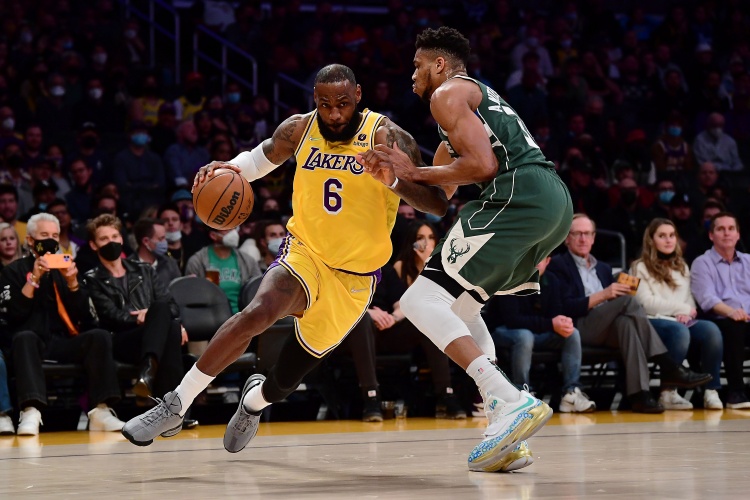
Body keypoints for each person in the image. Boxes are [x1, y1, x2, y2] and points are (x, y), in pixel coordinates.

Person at [121, 64, 451, 456]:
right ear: (315, 99)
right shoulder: (299, 128)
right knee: (258, 312)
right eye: (325, 104)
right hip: (305, 253)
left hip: (355, 277)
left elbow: (436, 205)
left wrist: (393, 180)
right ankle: (176, 403)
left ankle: (253, 402)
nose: (333, 113)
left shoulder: (387, 137)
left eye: (342, 103)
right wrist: (228, 168)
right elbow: (258, 160)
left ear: (358, 95)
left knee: (284, 381)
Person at [357, 27, 572, 472]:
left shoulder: (449, 93)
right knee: (461, 307)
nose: (412, 74)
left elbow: (483, 166)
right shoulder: (464, 113)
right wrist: (395, 179)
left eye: (418, 65)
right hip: (550, 201)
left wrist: (412, 169)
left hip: (518, 194)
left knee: (417, 301)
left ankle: (508, 399)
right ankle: (504, 428)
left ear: (439, 64)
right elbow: (439, 201)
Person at [548, 214, 712, 414]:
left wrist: (613, 294)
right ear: (567, 238)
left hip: (607, 326)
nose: (583, 239)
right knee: (628, 301)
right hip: (577, 327)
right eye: (577, 234)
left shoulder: (603, 268)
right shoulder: (558, 265)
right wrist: (604, 295)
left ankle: (639, 395)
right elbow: (563, 308)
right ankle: (668, 365)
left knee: (626, 324)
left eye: (588, 234)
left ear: (593, 238)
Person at [0, 213, 124, 435]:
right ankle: (31, 411)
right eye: (44, 235)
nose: (51, 240)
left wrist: (73, 283)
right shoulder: (13, 271)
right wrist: (34, 279)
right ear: (30, 240)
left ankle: (101, 410)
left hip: (63, 341)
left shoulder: (66, 269)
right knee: (24, 337)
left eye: (55, 235)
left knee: (99, 336)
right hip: (31, 342)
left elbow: (87, 317)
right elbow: (13, 315)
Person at [346, 220, 467, 419]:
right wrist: (367, 313)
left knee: (427, 319)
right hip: (351, 332)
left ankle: (446, 394)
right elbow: (336, 305)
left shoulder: (384, 270)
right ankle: (371, 397)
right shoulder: (341, 271)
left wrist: (393, 317)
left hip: (386, 330)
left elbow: (403, 303)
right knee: (362, 322)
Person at [82, 214, 186, 402]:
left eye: (114, 236)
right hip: (121, 339)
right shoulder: (92, 279)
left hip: (152, 336)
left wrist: (155, 317)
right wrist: (145, 318)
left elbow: (171, 306)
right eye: (104, 239)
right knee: (169, 328)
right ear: (93, 245)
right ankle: (173, 409)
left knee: (165, 317)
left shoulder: (144, 269)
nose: (111, 242)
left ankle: (148, 371)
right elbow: (110, 315)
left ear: (121, 239)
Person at [630, 219, 724, 410]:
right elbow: (645, 303)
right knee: (678, 331)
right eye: (662, 236)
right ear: (651, 240)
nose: (668, 240)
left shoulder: (682, 265)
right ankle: (668, 392)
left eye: (672, 235)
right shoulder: (638, 267)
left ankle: (711, 390)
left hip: (680, 320)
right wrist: (681, 310)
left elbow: (689, 299)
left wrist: (687, 314)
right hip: (651, 321)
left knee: (711, 330)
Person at [486, 256, 596, 413]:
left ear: (548, 261)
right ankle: (523, 393)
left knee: (572, 333)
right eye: (534, 255)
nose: (537, 260)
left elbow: (556, 313)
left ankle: (570, 393)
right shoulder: (510, 279)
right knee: (525, 336)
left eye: (542, 256)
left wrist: (562, 323)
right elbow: (512, 320)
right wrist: (551, 324)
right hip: (502, 332)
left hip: (538, 333)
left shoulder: (552, 280)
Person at [691, 213, 750, 409]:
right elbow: (706, 298)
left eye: (731, 229)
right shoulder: (702, 263)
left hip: (747, 318)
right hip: (719, 319)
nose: (726, 233)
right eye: (720, 229)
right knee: (734, 327)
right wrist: (731, 312)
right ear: (711, 235)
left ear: (738, 235)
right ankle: (736, 392)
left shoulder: (748, 261)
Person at [185, 226, 261, 314]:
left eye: (234, 229)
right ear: (213, 235)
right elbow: (190, 297)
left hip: (243, 316)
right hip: (210, 317)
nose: (233, 233)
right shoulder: (197, 261)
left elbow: (258, 289)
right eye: (227, 229)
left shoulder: (248, 261)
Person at [129, 217, 182, 287]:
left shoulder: (170, 264)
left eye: (165, 238)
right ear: (146, 241)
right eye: (161, 239)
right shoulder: (127, 268)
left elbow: (179, 290)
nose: (165, 242)